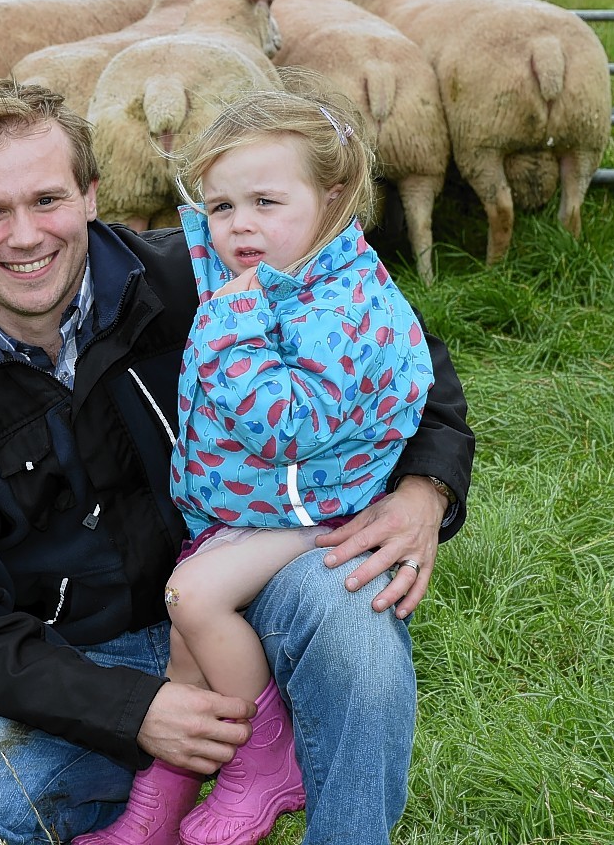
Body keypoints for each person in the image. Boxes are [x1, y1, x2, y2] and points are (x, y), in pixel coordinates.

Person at [0, 79, 473, 845]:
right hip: (77, 658)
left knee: (354, 599)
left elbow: (408, 356)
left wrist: (425, 487)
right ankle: (150, 791)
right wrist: (128, 709)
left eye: (47, 199)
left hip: (248, 585)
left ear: (90, 195)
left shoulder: (198, 273)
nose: (25, 236)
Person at [80, 91, 435, 845]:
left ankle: (262, 755)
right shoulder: (264, 268)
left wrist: (233, 328)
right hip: (250, 505)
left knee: (193, 599)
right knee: (184, 659)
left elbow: (288, 426)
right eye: (221, 204)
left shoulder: (334, 306)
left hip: (312, 508)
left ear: (331, 196)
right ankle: (158, 806)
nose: (239, 224)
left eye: (265, 201)